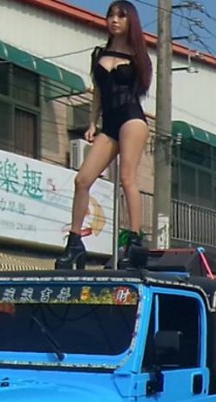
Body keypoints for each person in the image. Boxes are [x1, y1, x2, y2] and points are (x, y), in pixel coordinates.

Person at [55, 1, 152, 270]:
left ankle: (134, 241)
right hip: (108, 123)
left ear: (131, 21)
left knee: (127, 178)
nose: (114, 20)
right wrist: (92, 123)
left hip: (132, 118)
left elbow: (140, 89)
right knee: (82, 179)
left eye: (121, 16)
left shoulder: (138, 56)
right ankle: (75, 243)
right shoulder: (99, 53)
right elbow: (98, 91)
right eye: (111, 15)